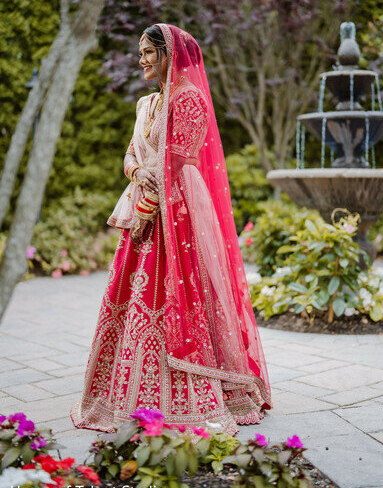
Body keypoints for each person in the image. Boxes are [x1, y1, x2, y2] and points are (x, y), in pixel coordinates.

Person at [70, 23, 272, 436]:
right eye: (139, 52)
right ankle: (128, 392)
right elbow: (131, 154)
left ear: (168, 54)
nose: (141, 60)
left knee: (184, 292)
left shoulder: (190, 100)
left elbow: (177, 163)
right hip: (146, 202)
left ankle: (195, 390)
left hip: (177, 208)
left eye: (148, 52)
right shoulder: (147, 103)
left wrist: (146, 207)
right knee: (134, 294)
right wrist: (137, 170)